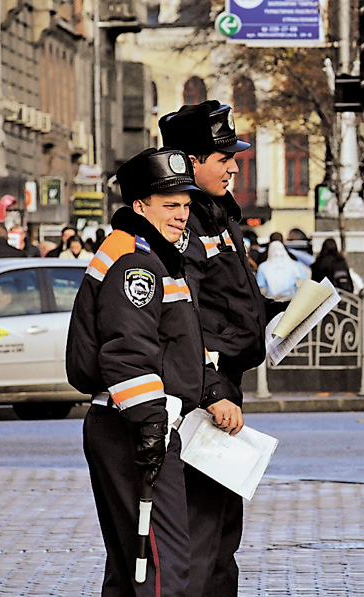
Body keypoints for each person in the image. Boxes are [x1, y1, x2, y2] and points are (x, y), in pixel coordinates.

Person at [159, 99, 286, 597]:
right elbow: (180, 321)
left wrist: (280, 314)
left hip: (220, 388)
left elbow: (228, 302)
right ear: (191, 163)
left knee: (220, 533)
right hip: (199, 395)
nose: (235, 165)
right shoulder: (182, 223)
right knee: (198, 535)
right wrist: (211, 391)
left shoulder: (217, 215)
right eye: (223, 157)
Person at [65, 148, 203, 597]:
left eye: (185, 204)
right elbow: (126, 352)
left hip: (129, 424)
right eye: (171, 205)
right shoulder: (139, 261)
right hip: (136, 426)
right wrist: (150, 423)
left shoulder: (147, 251)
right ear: (140, 206)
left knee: (132, 566)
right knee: (161, 568)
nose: (182, 215)